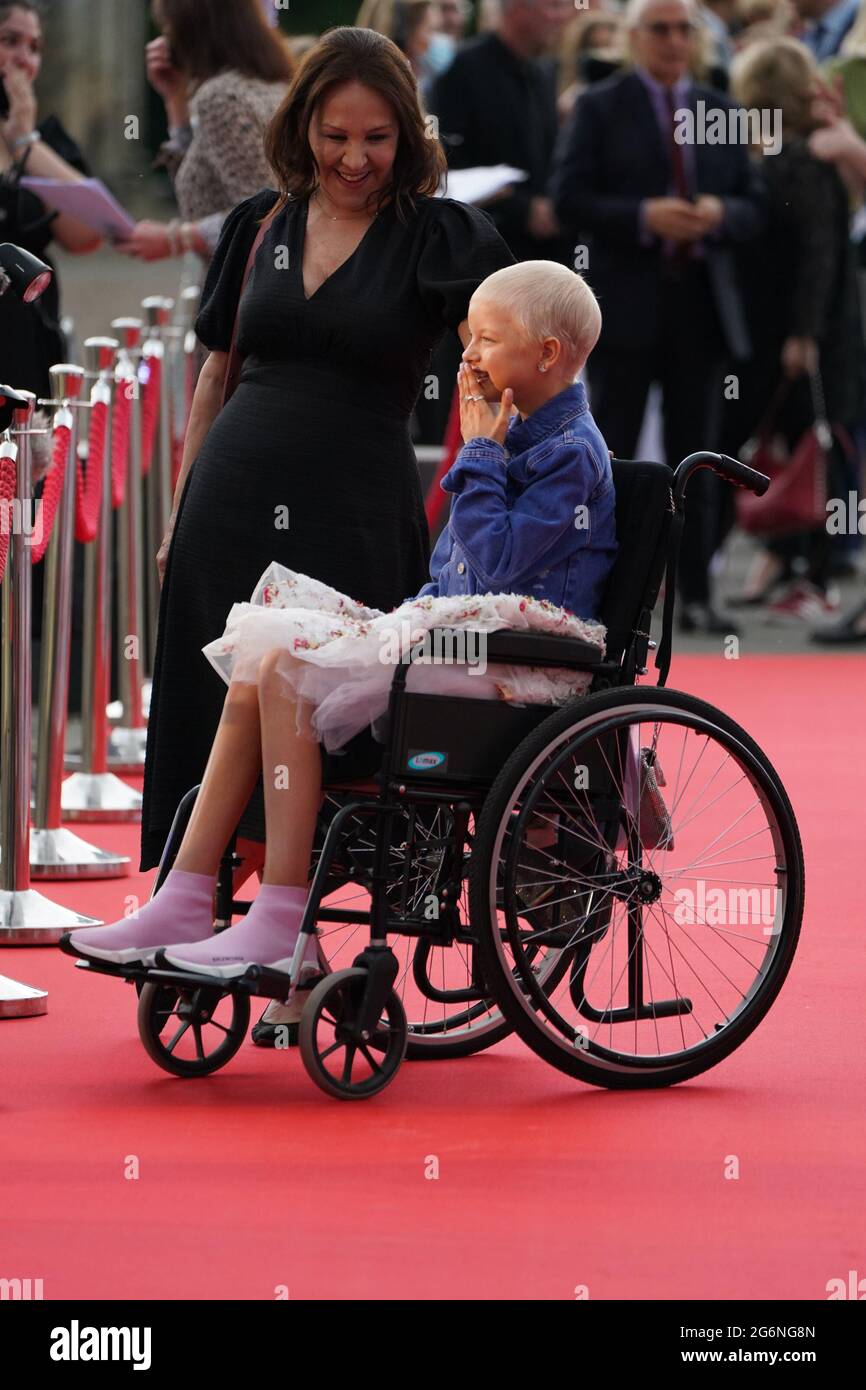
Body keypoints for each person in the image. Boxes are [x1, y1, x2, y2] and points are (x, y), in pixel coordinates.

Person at [66, 261, 617, 983]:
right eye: (467, 339)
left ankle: (284, 918)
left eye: (486, 339)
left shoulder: (571, 453)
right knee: (260, 669)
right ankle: (188, 894)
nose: (469, 355)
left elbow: (502, 569)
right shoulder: (510, 430)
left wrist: (479, 451)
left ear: (547, 355)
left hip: (522, 665)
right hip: (467, 642)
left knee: (289, 676)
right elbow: (452, 575)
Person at [137, 25, 518, 884]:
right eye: (334, 136)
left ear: (409, 136)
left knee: (327, 720)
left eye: (376, 139)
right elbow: (215, 374)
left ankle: (293, 915)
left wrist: (495, 481)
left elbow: (499, 362)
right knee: (211, 708)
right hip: (227, 506)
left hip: (353, 515)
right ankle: (196, 898)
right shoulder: (256, 223)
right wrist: (179, 511)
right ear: (302, 126)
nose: (353, 158)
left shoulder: (439, 237)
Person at [549, 0, 766, 634]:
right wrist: (645, 215)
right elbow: (569, 198)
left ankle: (695, 594)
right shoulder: (600, 105)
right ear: (634, 38)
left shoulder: (720, 110)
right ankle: (608, 592)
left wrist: (719, 213)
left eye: (683, 30)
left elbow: (756, 203)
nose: (674, 41)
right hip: (627, 303)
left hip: (701, 304)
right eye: (660, 29)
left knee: (698, 455)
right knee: (609, 449)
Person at [721, 37, 864, 619]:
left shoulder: (800, 159)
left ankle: (821, 574)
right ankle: (795, 566)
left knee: (821, 450)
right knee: (808, 448)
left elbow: (818, 254)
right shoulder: (806, 153)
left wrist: (803, 334)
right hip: (813, 330)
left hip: (815, 336)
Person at [115, 0, 293, 269]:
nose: (165, 38)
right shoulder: (275, 84)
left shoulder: (221, 98)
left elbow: (266, 215)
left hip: (241, 301)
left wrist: (174, 239)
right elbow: (207, 178)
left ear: (192, 27)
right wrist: (175, 100)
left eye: (167, 25)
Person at [428, 0, 577, 265]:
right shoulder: (463, 69)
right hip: (486, 248)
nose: (564, 17)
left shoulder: (542, 71)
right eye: (554, 6)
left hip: (543, 252)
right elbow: (446, 161)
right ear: (518, 8)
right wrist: (522, 209)